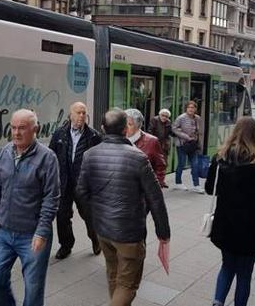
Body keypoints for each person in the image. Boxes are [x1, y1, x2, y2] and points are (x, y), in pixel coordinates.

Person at [77, 109, 170, 306]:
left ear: (103, 129)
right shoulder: (138, 157)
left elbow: (81, 193)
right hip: (129, 234)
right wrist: (164, 233)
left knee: (113, 275)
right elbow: (155, 198)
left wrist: (94, 218)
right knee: (127, 285)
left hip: (103, 231)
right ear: (125, 130)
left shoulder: (89, 155)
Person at [0, 109, 60, 306]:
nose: (16, 133)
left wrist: (42, 232)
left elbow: (51, 198)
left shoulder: (47, 158)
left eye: (22, 128)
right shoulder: (5, 151)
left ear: (36, 129)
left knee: (33, 288)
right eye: (13, 127)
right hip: (3, 231)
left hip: (32, 235)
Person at [205, 117, 255, 306]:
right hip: (251, 228)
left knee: (227, 266)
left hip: (225, 225)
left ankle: (217, 303)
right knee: (245, 274)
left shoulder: (220, 157)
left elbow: (209, 189)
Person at [49, 102, 103, 260]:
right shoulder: (59, 134)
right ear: (70, 115)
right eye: (78, 112)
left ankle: (95, 239)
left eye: (84, 113)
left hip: (84, 184)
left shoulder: (94, 136)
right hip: (64, 182)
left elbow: (99, 161)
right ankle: (66, 245)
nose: (81, 116)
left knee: (89, 215)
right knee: (62, 215)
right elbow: (51, 157)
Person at [125, 108, 167, 188]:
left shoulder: (152, 141)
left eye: (129, 124)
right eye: (124, 124)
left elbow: (160, 166)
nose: (125, 127)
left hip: (143, 191)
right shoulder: (118, 139)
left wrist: (155, 186)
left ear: (138, 126)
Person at [172, 101, 205, 193]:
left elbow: (200, 132)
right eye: (189, 107)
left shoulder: (198, 118)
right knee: (181, 164)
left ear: (195, 109)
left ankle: (196, 185)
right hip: (182, 145)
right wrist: (186, 137)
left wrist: (198, 144)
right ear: (186, 109)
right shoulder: (181, 118)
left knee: (195, 164)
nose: (191, 109)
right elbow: (174, 128)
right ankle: (178, 183)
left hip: (193, 145)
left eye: (193, 107)